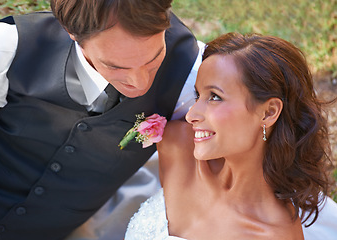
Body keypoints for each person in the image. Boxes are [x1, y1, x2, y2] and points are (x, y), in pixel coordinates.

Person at [0, 0, 204, 239]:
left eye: (153, 59)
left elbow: (253, 128)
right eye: (116, 67)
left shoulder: (193, 72)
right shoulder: (6, 49)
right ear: (71, 32)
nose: (140, 82)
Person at [125, 32, 337, 239]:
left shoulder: (273, 234)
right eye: (198, 95)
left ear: (269, 112)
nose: (191, 115)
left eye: (215, 97)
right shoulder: (176, 145)